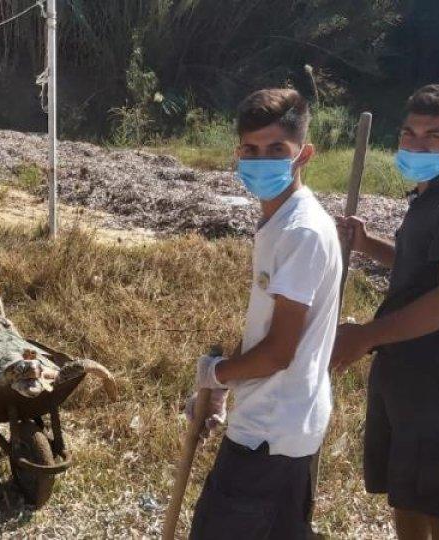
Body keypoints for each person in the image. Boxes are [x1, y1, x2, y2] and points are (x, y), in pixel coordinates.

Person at [330, 84, 439, 540]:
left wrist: (366, 335)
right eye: (409, 134)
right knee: (405, 492)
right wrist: (369, 245)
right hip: (403, 366)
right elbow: (423, 267)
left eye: (432, 136)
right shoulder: (433, 194)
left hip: (437, 375)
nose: (415, 145)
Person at [185, 88, 343, 539]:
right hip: (280, 421)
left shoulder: (301, 231)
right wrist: (222, 388)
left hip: (273, 430)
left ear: (303, 154)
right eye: (250, 150)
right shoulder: (279, 221)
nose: (260, 161)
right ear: (238, 154)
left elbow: (277, 353)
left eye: (277, 149)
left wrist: (216, 374)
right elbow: (266, 330)